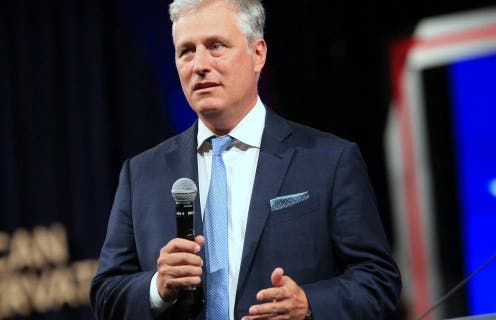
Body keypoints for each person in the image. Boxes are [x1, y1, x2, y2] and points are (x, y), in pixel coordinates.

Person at [90, 0, 401, 319]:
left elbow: (378, 280)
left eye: (216, 46)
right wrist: (157, 288)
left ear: (258, 54)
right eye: (186, 51)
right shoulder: (141, 174)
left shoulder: (329, 161)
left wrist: (309, 304)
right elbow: (106, 294)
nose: (199, 64)